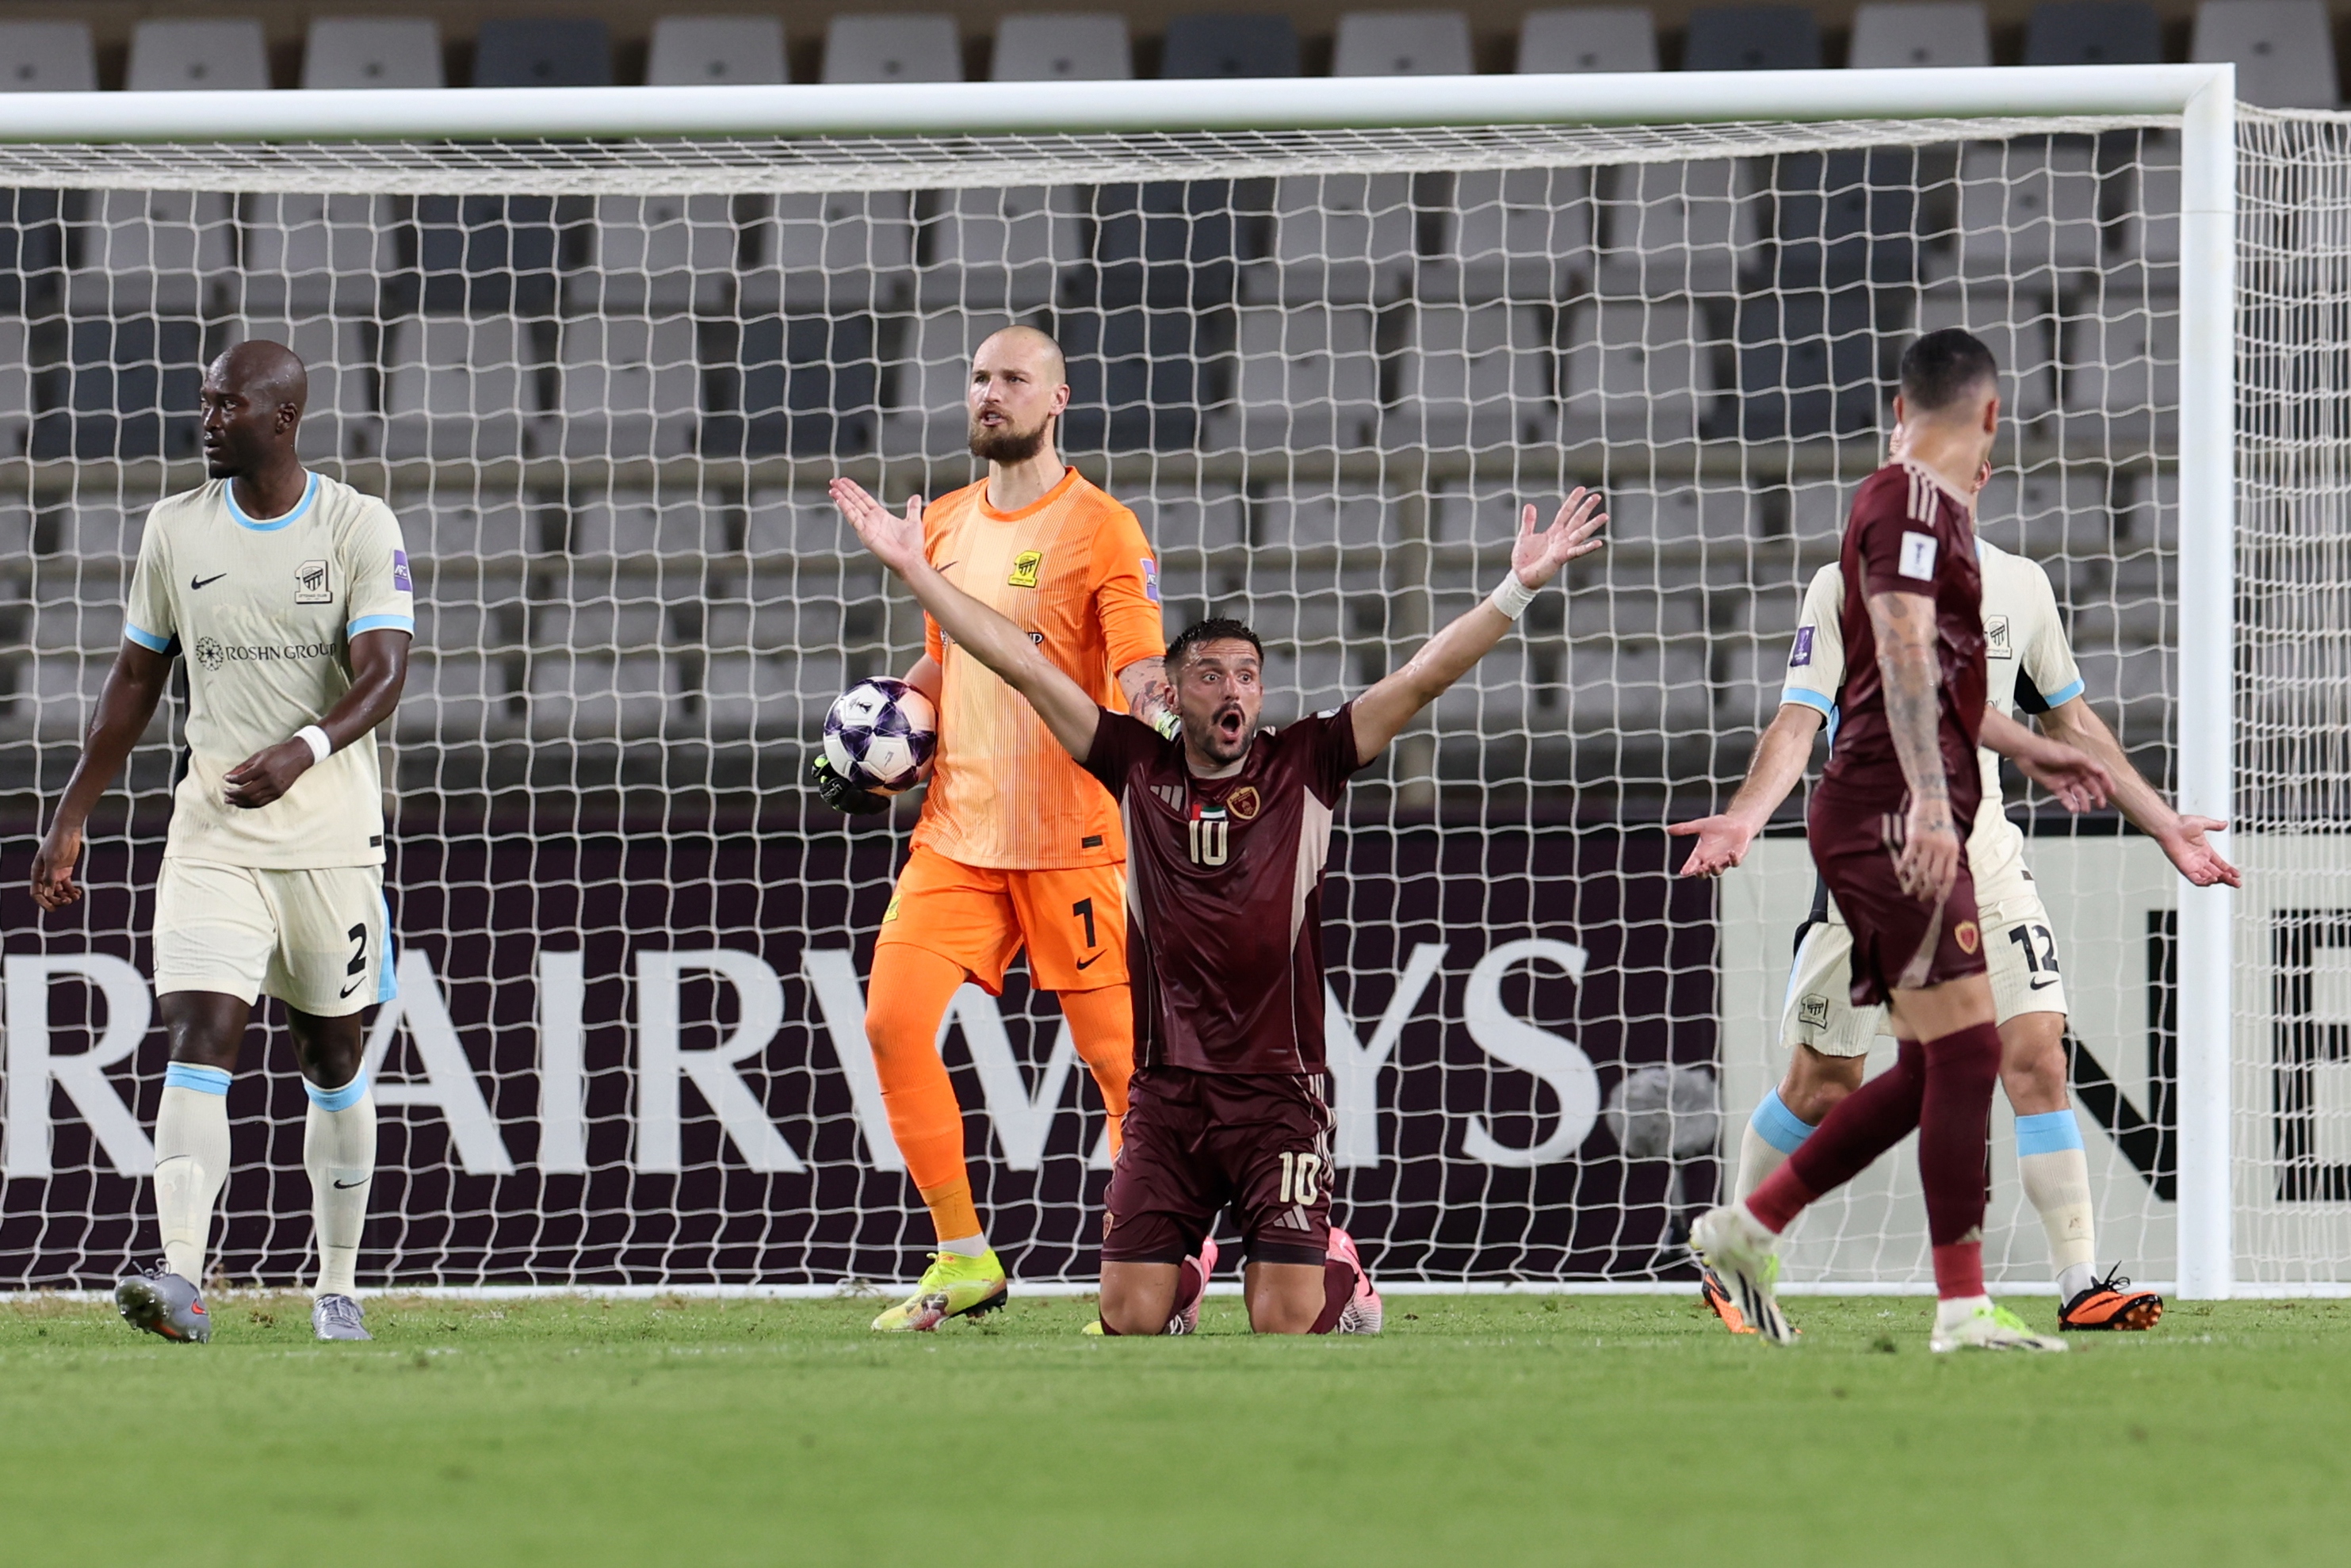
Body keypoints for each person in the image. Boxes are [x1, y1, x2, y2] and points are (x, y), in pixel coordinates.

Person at [834, 469, 1608, 1334]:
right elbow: (1018, 659)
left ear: (1262, 693)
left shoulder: (1305, 760)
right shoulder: (1134, 764)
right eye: (1206, 676)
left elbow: (1423, 677)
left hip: (1275, 1091)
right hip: (1166, 1096)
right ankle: (1018, 1254)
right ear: (1175, 692)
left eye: (1245, 675)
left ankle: (1335, 1268)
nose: (1230, 690)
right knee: (1127, 1316)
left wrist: (1514, 589)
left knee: (1280, 1317)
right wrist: (918, 575)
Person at [1675, 429, 2238, 1335]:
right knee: (1825, 1081)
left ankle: (2074, 1283)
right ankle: (1735, 1258)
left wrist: (2160, 819)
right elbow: (1795, 721)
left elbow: (2075, 720)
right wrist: (1745, 814)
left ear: (1980, 476)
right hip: (1877, 864)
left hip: (1985, 856)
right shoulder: (1844, 583)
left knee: (2034, 1056)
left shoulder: (2018, 584)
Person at [1690, 328, 2074, 1352]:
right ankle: (1763, 1244)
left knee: (1972, 1057)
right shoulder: (1888, 525)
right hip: (1894, 825)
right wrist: (1759, 810)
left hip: (1960, 834)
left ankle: (2050, 1281)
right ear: (1977, 425)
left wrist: (2104, 786)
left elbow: (1973, 701)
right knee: (1843, 1074)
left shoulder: (2001, 574)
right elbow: (1816, 708)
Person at [29, 340, 413, 1344]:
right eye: (203, 401)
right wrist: (74, 811)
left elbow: (385, 671)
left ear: (280, 419)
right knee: (199, 1037)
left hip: (331, 846)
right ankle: (183, 1280)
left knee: (332, 1057)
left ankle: (337, 1285)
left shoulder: (356, 524)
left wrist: (306, 747)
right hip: (211, 835)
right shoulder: (175, 527)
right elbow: (134, 680)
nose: (205, 420)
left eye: (224, 405)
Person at [816, 326, 1173, 1332]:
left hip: (1072, 837)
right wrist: (876, 741)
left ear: (1057, 399)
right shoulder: (940, 525)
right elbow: (943, 666)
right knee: (889, 1024)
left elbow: (1138, 667)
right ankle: (962, 1256)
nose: (990, 393)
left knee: (1126, 1077)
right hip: (957, 835)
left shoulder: (1104, 529)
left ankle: (1168, 1259)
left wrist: (1163, 715)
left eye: (1013, 379)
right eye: (978, 378)